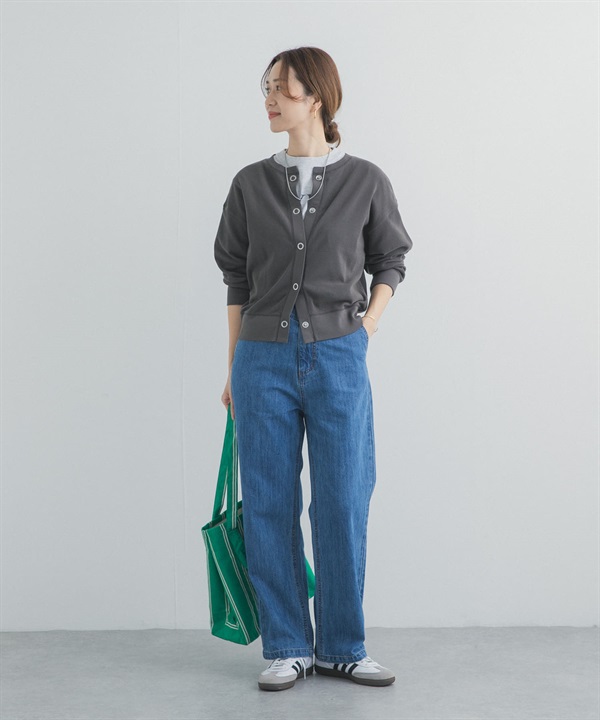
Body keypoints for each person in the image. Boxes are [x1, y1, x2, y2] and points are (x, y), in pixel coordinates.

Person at [213, 47, 414, 692]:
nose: (271, 100)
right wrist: (233, 367)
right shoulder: (249, 184)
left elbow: (390, 259)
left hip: (339, 357)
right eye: (267, 88)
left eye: (284, 89)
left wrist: (369, 323)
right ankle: (287, 645)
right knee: (268, 503)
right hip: (261, 361)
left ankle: (343, 646)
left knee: (343, 500)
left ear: (318, 99)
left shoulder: (366, 180)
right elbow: (237, 278)